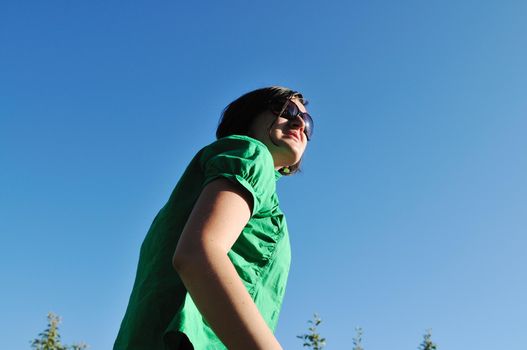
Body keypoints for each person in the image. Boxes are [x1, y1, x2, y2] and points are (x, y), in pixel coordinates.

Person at [113, 86, 314, 350]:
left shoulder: (200, 191)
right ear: (249, 115)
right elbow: (198, 254)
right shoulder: (252, 154)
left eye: (308, 123)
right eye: (287, 110)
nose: (300, 122)